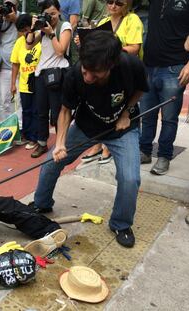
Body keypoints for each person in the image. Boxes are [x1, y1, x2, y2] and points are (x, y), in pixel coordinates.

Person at [32, 31, 149, 248]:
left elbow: (141, 89)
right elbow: (66, 110)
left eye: (96, 75)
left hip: (122, 128)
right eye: (86, 71)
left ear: (112, 65)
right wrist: (59, 144)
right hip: (87, 126)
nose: (88, 78)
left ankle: (121, 224)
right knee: (51, 162)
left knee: (130, 178)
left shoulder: (131, 65)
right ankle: (41, 204)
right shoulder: (76, 73)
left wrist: (126, 112)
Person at [81, 0, 144, 164]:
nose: (113, 6)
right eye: (110, 2)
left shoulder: (133, 20)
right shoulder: (103, 21)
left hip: (124, 73)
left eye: (119, 3)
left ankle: (107, 148)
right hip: (105, 72)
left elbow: (135, 48)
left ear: (127, 5)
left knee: (117, 107)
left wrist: (112, 49)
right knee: (102, 109)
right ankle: (97, 145)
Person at [139, 0, 189, 175]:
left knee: (169, 118)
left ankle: (164, 156)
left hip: (174, 68)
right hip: (149, 66)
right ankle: (144, 151)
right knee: (147, 114)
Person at [25, 0, 72, 158]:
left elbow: (60, 51)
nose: (50, 17)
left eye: (53, 13)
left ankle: (61, 143)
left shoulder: (64, 26)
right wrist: (33, 28)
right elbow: (28, 45)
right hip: (41, 74)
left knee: (58, 112)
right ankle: (42, 143)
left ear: (59, 11)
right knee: (41, 112)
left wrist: (51, 33)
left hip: (57, 73)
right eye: (47, 14)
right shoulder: (42, 28)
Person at [10, 13, 42, 151]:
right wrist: (13, 83)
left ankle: (35, 138)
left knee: (37, 111)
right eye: (21, 31)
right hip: (24, 83)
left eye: (26, 30)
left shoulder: (41, 37)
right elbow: (15, 64)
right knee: (26, 111)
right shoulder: (19, 42)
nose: (24, 33)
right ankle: (27, 135)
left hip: (39, 80)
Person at [0, 0, 20, 121]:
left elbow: (29, 33)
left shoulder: (22, 17)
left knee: (20, 101)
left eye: (11, 4)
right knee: (4, 102)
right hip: (5, 66)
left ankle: (21, 130)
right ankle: (6, 130)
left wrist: (15, 20)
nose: (8, 7)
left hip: (21, 66)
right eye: (7, 3)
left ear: (17, 5)